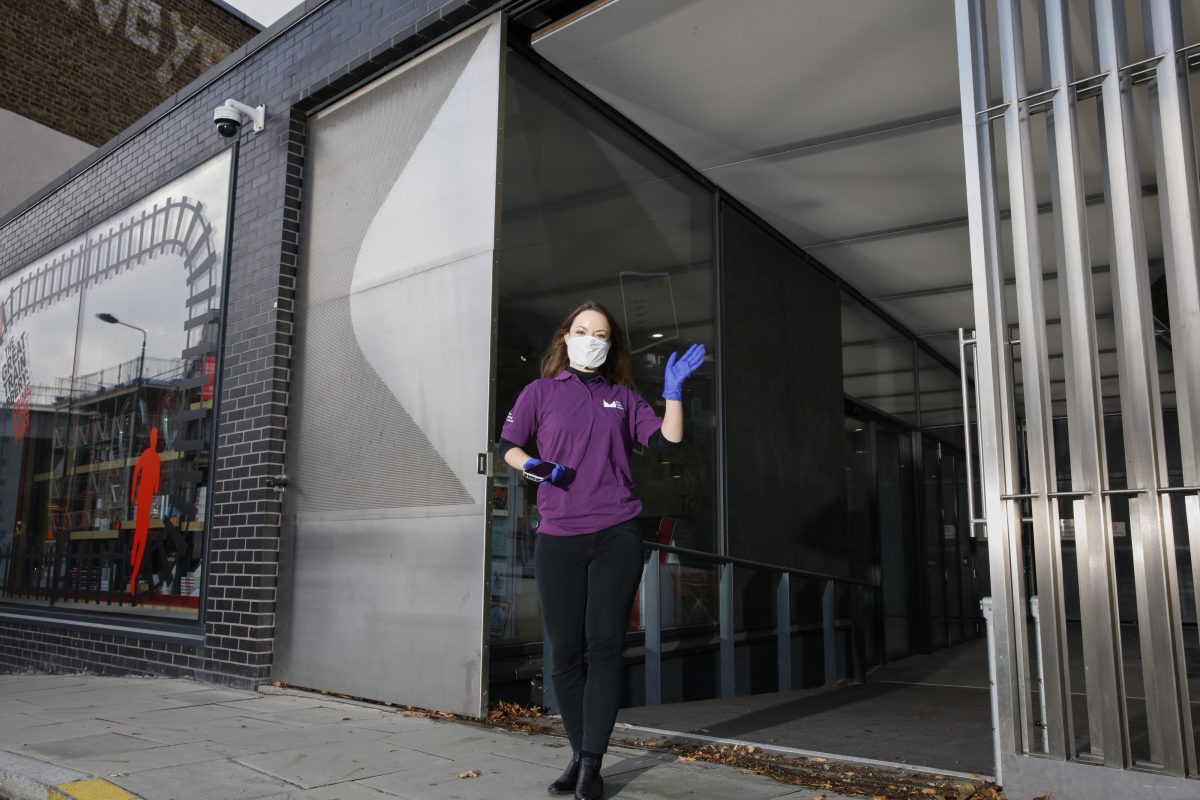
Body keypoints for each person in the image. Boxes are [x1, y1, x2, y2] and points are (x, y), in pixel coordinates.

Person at [498, 300, 706, 799]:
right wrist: (535, 467)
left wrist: (673, 393)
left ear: (611, 345)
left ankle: (591, 763)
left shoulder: (624, 398)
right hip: (559, 535)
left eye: (602, 333)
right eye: (583, 330)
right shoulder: (540, 391)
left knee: (605, 646)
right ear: (565, 337)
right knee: (565, 653)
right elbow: (508, 444)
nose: (592, 338)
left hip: (617, 531)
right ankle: (580, 752)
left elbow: (667, 444)